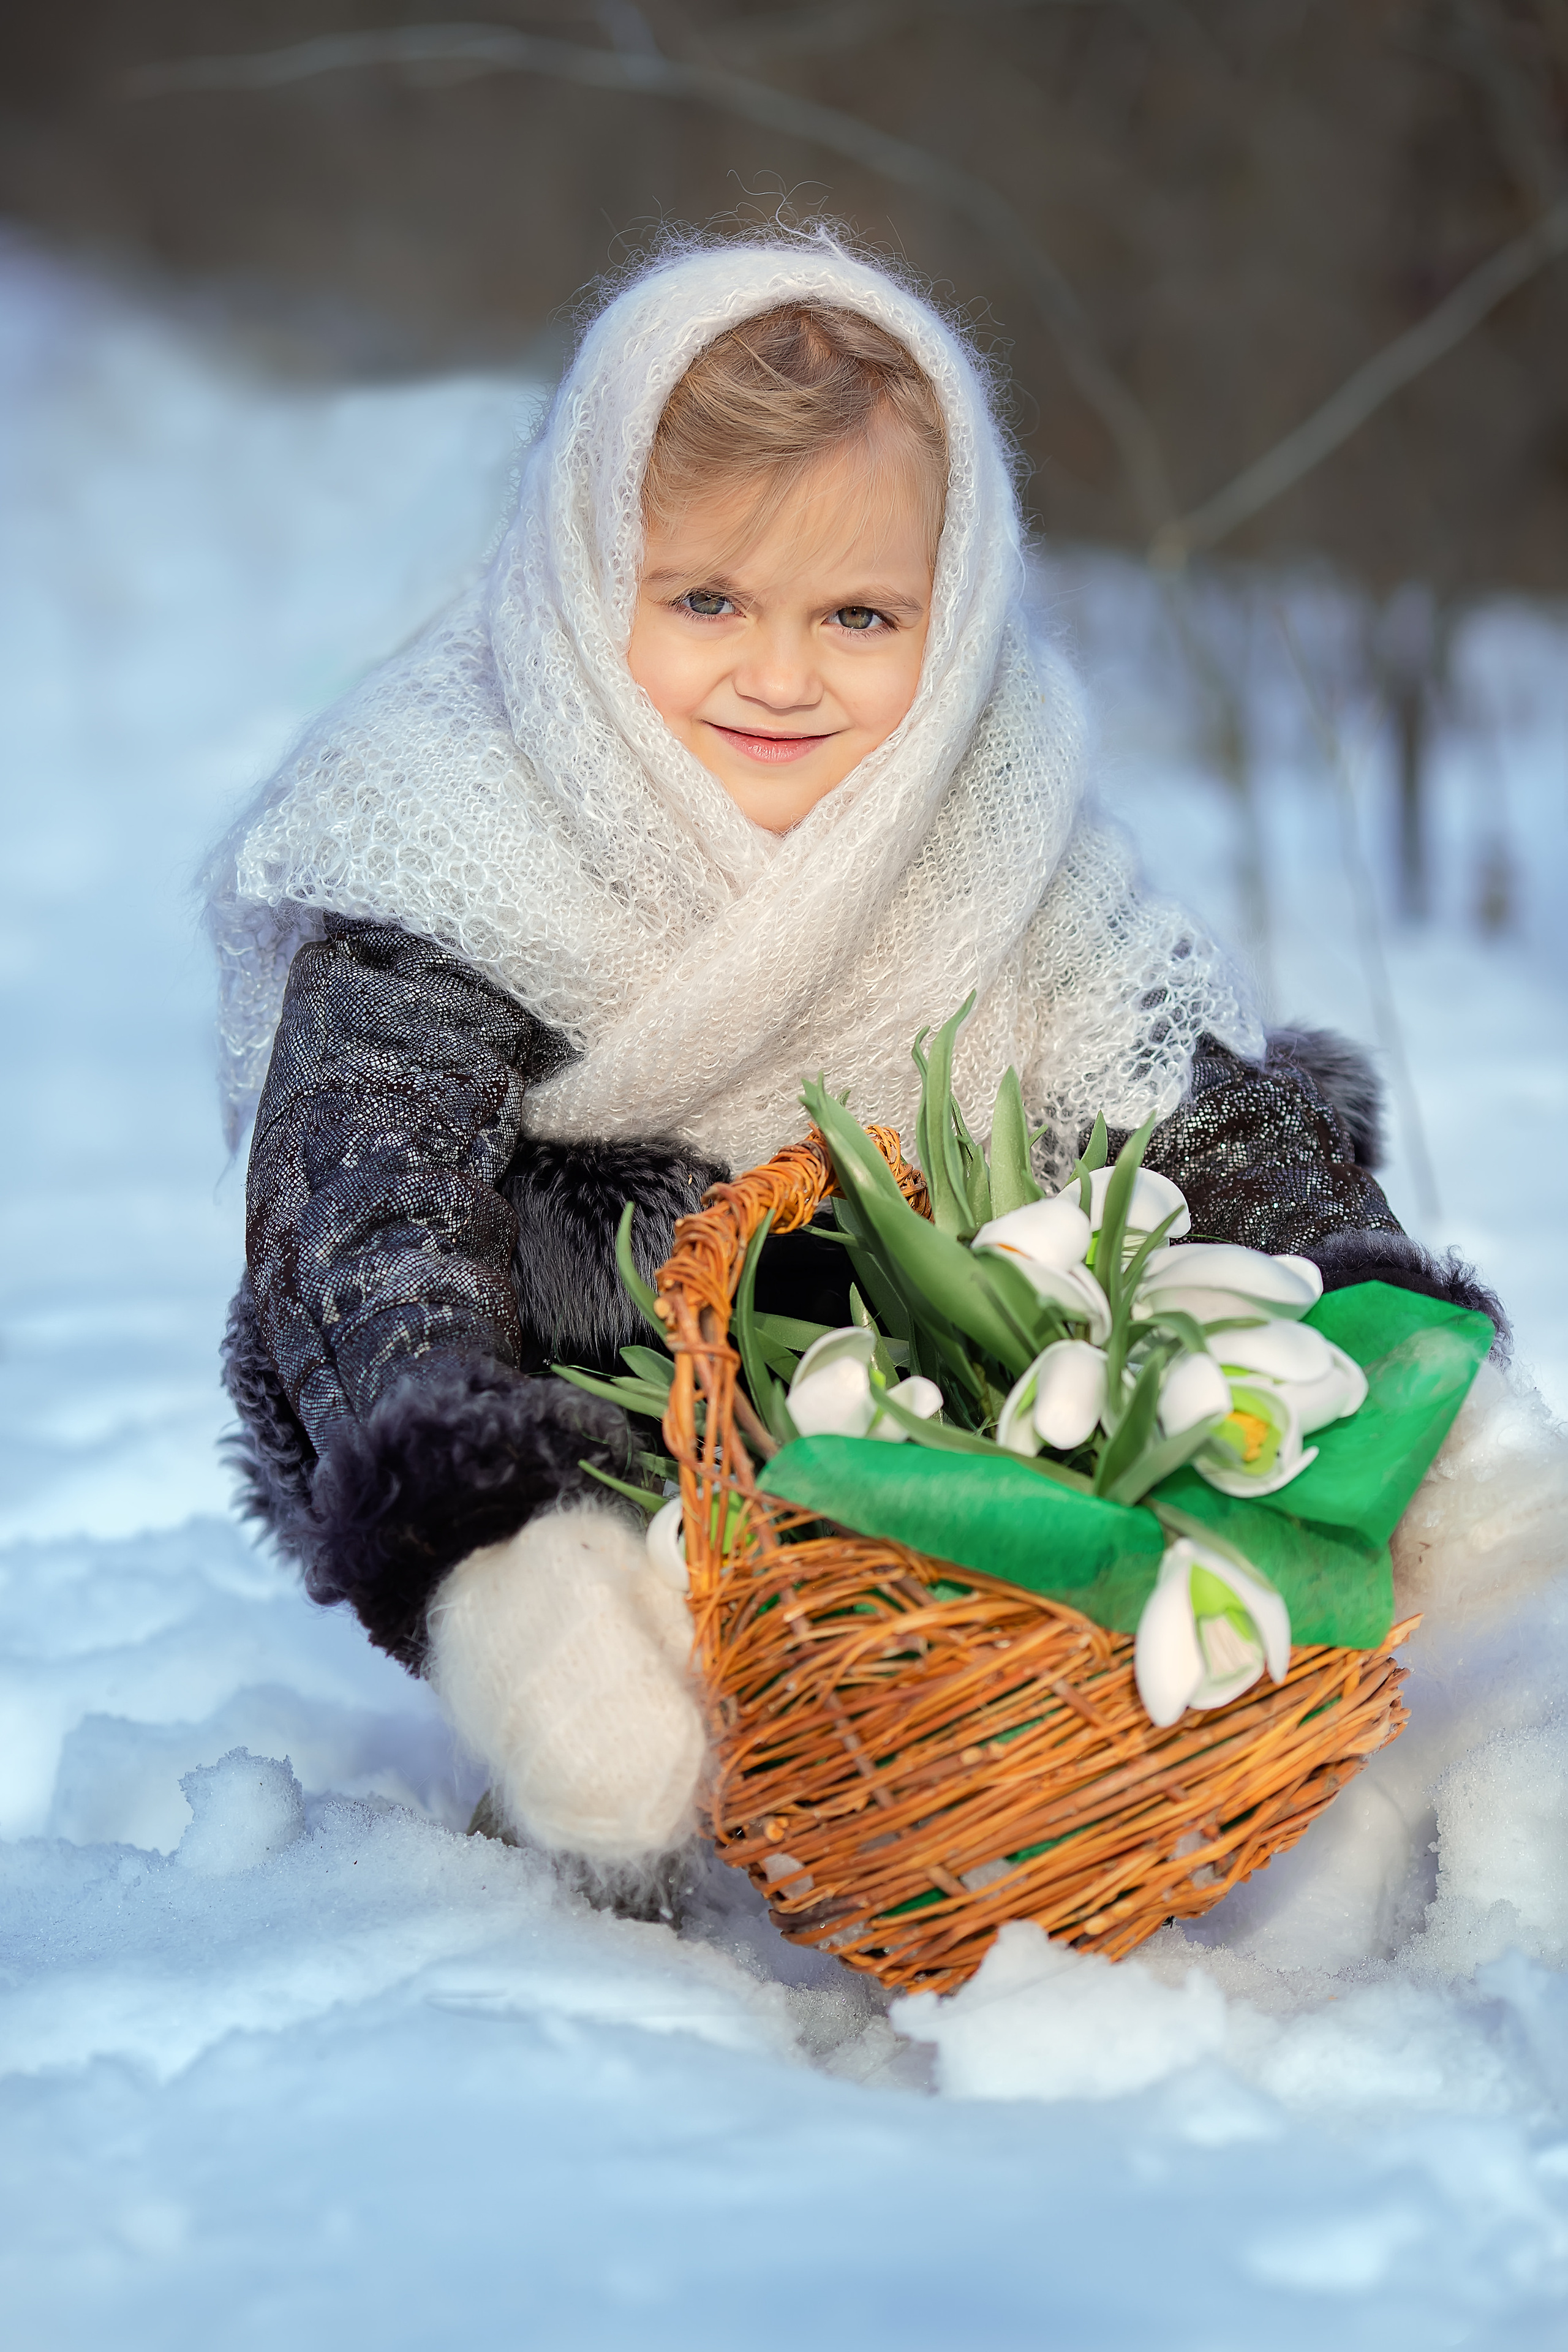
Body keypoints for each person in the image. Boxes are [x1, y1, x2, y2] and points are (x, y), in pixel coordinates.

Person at [205, 234, 1501, 1882]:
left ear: (950, 623)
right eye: (707, 599)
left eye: (862, 614)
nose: (781, 673)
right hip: (595, 1423)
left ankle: (1051, 1664)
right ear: (583, 576)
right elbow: (364, 1184)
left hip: (920, 1420)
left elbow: (1181, 1100)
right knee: (426, 1227)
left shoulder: (993, 816)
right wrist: (474, 1504)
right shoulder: (464, 821)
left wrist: (1381, 1328)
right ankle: (557, 1642)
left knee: (1165, 1244)